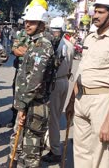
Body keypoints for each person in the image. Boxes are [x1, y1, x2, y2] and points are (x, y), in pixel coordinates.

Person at [66, 0, 109, 168]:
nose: (95, 16)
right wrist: (72, 101)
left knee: (102, 156)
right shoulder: (90, 37)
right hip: (81, 100)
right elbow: (81, 71)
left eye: (101, 12)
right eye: (95, 11)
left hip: (104, 102)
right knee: (81, 152)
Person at [8, 5, 53, 167]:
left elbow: (35, 81)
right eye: (27, 22)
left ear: (42, 25)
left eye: (32, 22)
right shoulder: (34, 44)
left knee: (31, 151)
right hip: (27, 102)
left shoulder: (43, 46)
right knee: (22, 144)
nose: (27, 25)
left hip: (35, 104)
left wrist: (22, 106)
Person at [41, 17, 74, 163]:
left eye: (55, 31)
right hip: (64, 81)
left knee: (53, 118)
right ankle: (51, 143)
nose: (54, 33)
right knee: (54, 116)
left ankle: (55, 150)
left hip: (55, 83)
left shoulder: (55, 45)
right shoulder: (70, 45)